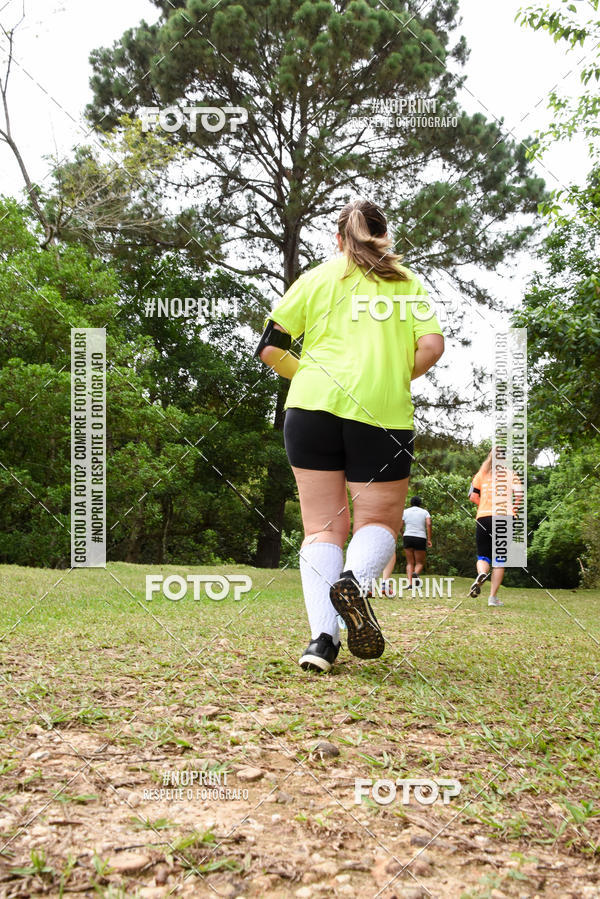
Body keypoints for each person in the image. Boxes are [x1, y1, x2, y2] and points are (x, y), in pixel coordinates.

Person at [256, 198, 444, 672]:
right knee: (377, 522)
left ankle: (322, 642)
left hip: (310, 407)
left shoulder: (316, 278)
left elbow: (269, 348)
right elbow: (432, 346)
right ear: (384, 235)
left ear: (338, 239)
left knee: (322, 527)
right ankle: (355, 585)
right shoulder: (406, 284)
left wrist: (309, 375)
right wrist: (392, 377)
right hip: (380, 411)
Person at [468, 449, 524, 606]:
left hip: (484, 517)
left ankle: (481, 574)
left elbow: (472, 496)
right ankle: (492, 598)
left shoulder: (481, 474)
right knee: (499, 559)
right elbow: (519, 496)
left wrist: (484, 506)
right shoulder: (511, 474)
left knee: (483, 556)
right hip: (505, 517)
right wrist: (513, 509)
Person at [382, 495, 432, 589]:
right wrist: (429, 539)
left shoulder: (405, 512)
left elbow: (400, 525)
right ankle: (415, 573)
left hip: (408, 536)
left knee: (410, 563)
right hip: (420, 537)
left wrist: (403, 533)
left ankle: (410, 584)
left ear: (411, 503)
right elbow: (428, 524)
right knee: (419, 563)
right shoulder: (425, 512)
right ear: (420, 503)